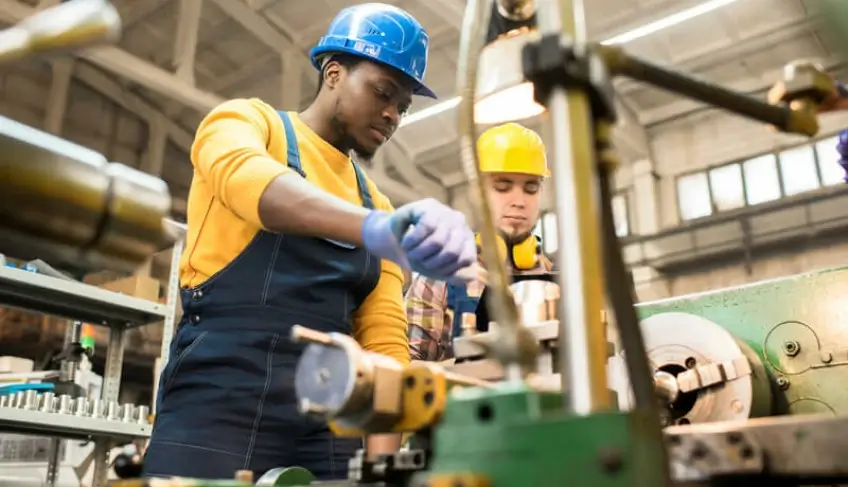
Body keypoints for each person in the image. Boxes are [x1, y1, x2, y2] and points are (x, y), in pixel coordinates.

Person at [142, 3, 476, 481]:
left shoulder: (376, 201)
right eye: (383, 91)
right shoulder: (248, 124)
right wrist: (372, 229)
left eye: (403, 106)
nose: (392, 114)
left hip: (329, 424)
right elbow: (250, 182)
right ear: (334, 73)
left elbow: (383, 343)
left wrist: (382, 468)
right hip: (217, 403)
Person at [406, 123, 553, 362]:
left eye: (531, 188)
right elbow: (409, 372)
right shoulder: (437, 279)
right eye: (503, 187)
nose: (519, 201)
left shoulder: (557, 279)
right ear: (476, 194)